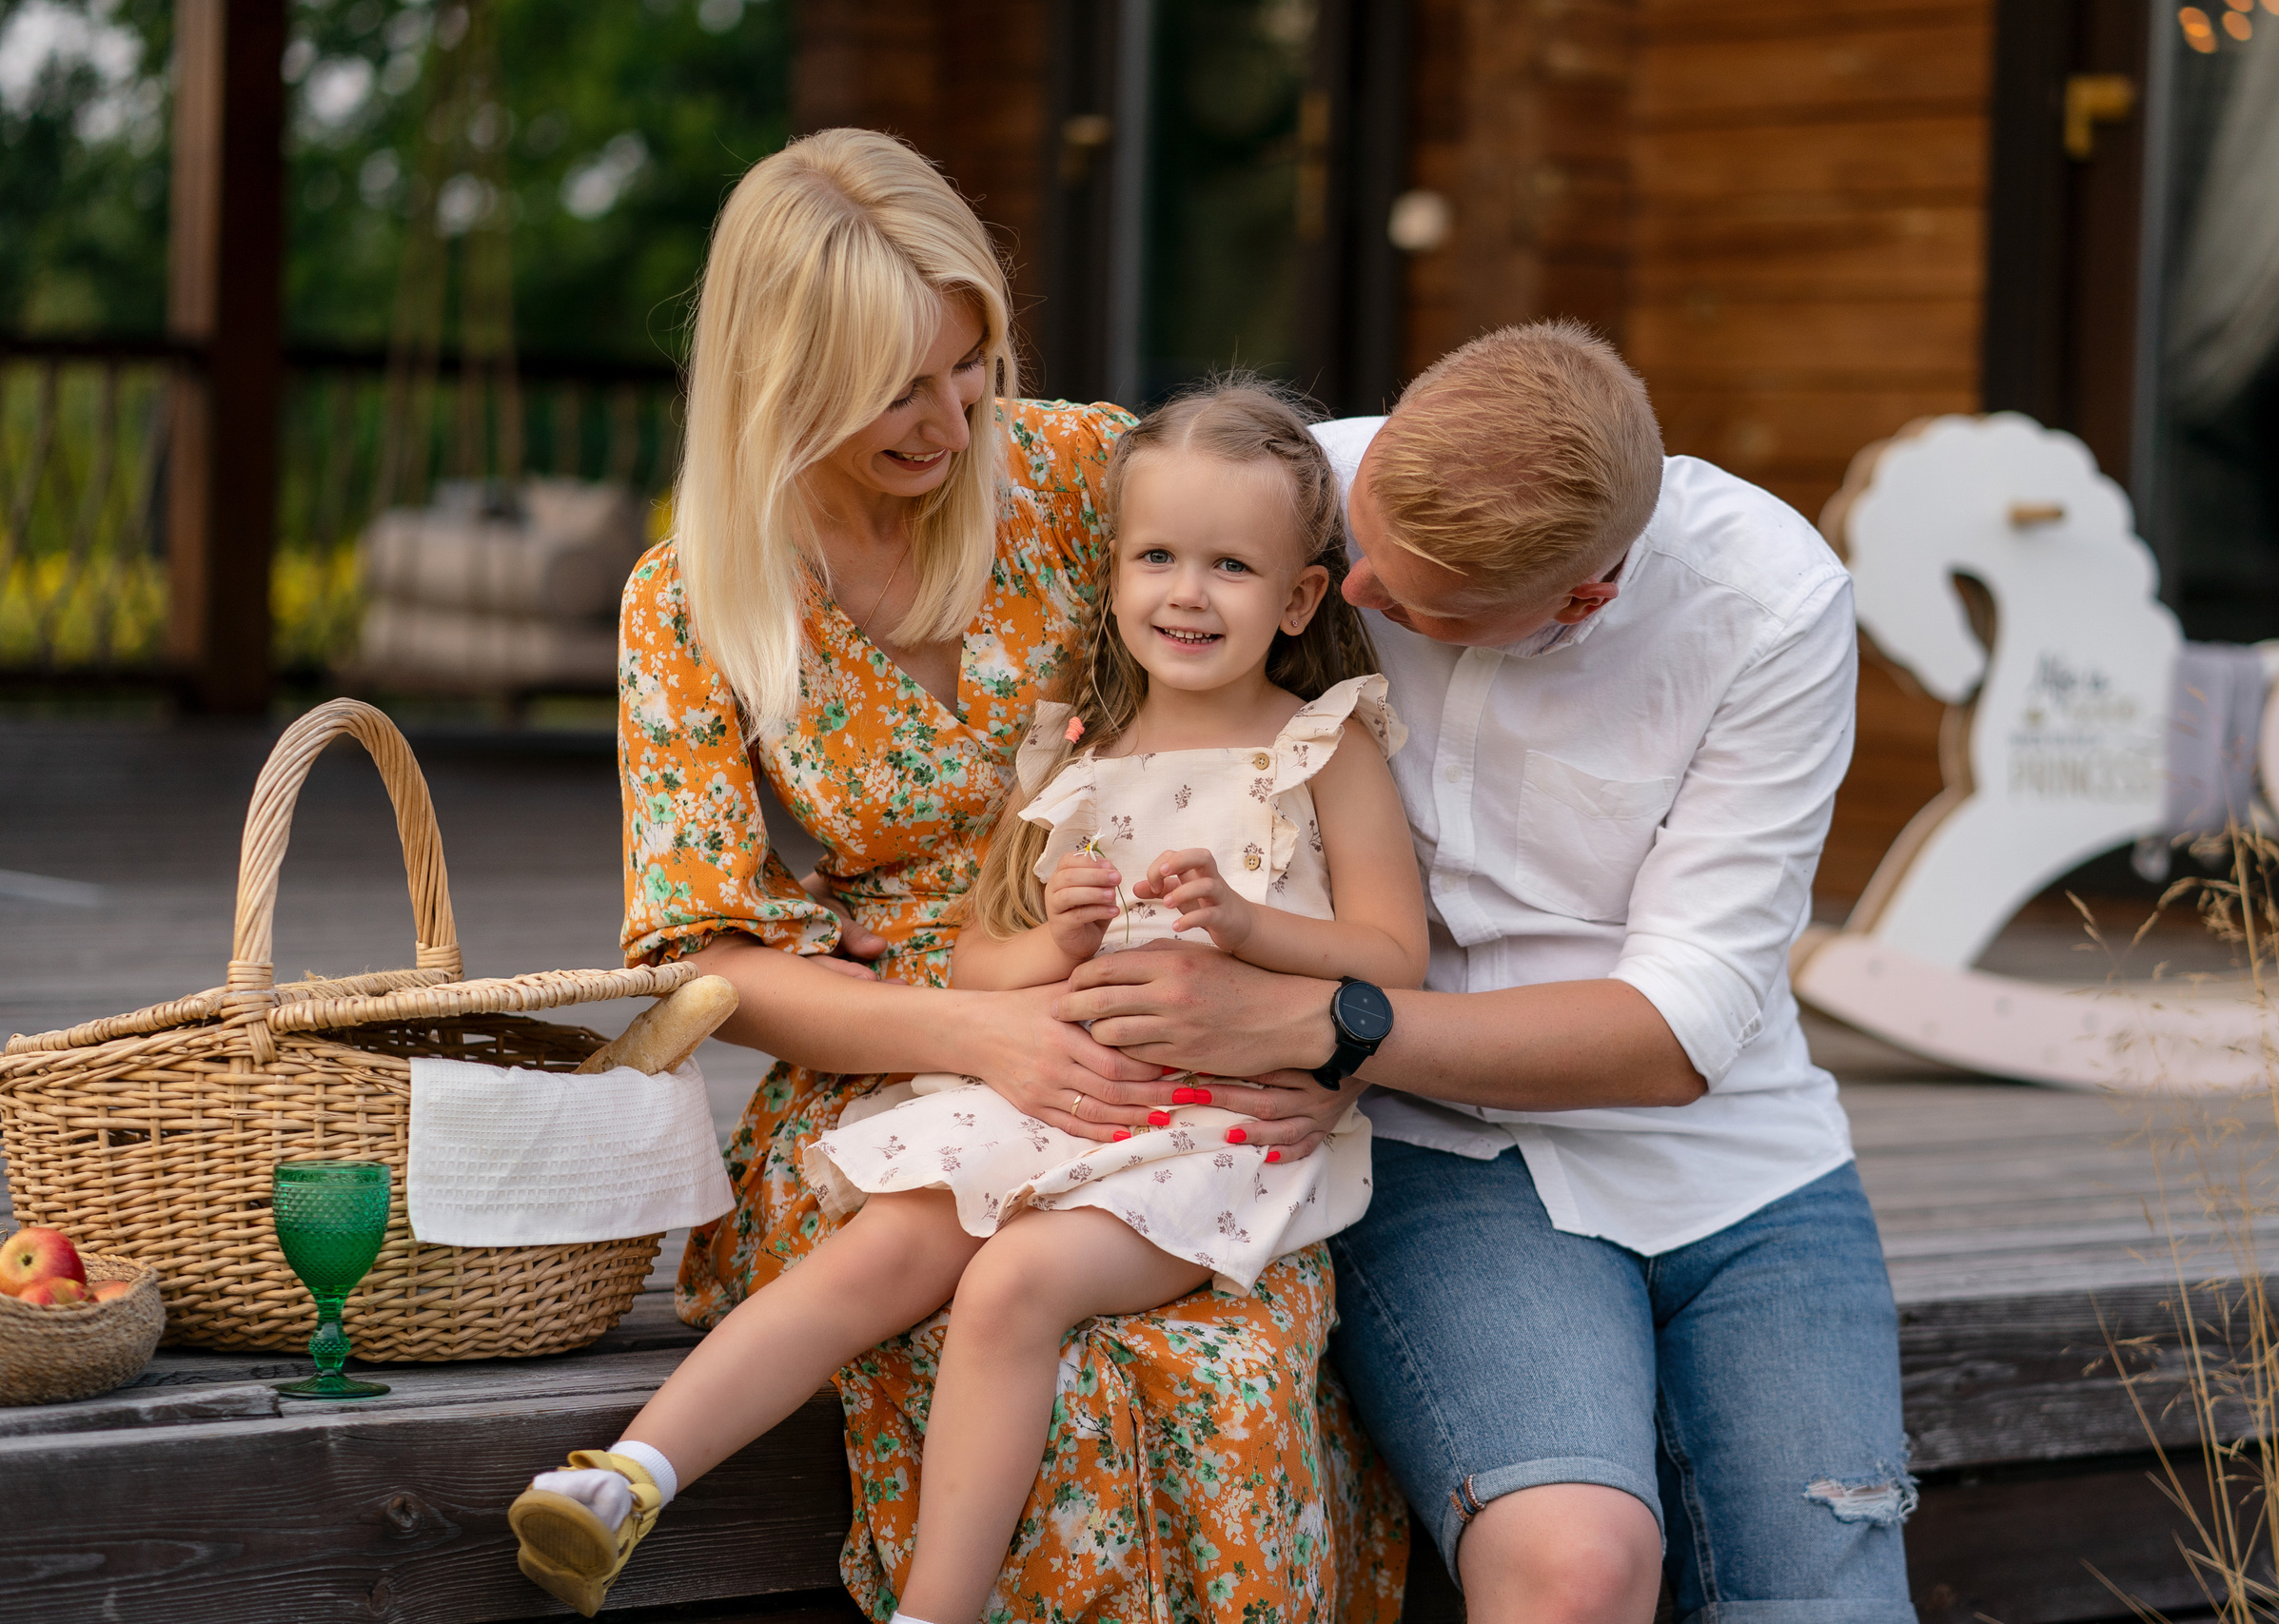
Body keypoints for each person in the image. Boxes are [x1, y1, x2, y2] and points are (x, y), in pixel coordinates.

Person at [513, 132, 1409, 1623]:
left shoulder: (1084, 475)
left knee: (1205, 1362)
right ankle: (645, 1485)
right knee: (964, 1309)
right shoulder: (692, 596)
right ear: (777, 380)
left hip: (1179, 1045)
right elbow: (709, 959)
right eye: (893, 389)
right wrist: (981, 1027)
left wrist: (1326, 1046)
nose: (948, 421)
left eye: (968, 364)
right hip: (902, 1049)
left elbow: (1318, 596)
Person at [1052, 323, 1918, 1624]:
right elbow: (1081, 498)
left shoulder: (1771, 606)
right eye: (1360, 556)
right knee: (1574, 1574)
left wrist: (1320, 1027)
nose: (1350, 601)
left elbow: (1673, 1034)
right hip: (1444, 1155)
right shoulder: (1318, 493)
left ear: (1584, 600)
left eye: (1412, 607)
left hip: (1745, 1169)